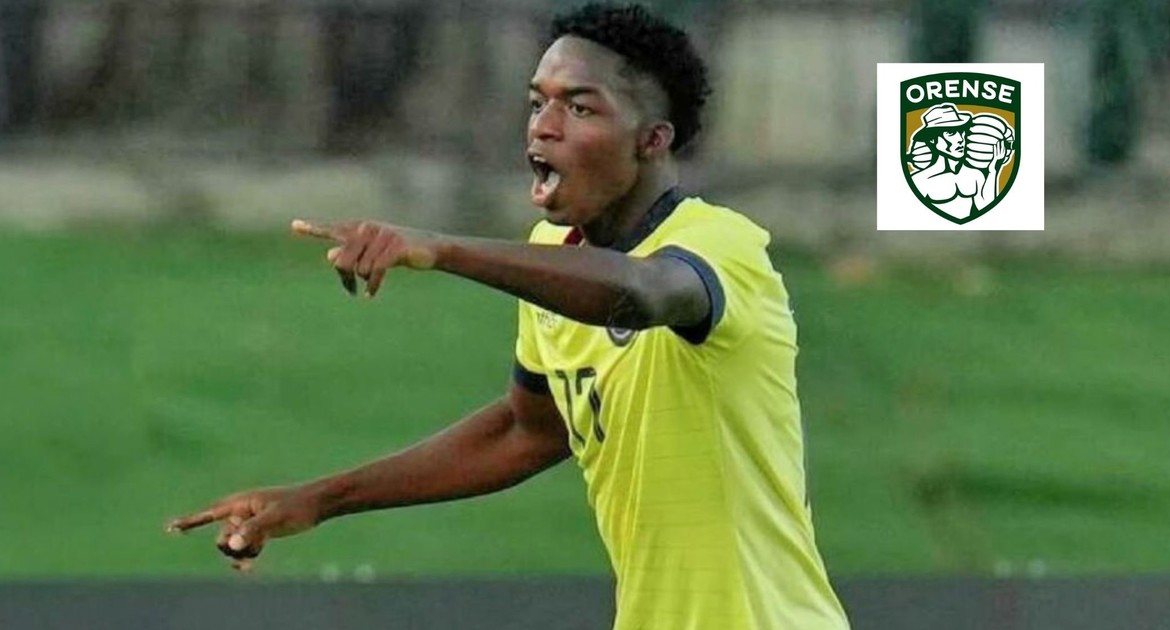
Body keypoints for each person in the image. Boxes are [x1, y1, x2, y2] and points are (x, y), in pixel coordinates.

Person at [167, 4, 849, 629]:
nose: (544, 126)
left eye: (579, 107)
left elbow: (641, 293)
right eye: (537, 102)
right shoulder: (554, 257)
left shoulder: (722, 246)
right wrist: (318, 500)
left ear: (651, 140)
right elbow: (526, 431)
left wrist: (440, 249)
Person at [909, 103, 1007, 220]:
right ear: (932, 139)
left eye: (962, 131)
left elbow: (987, 210)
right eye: (951, 133)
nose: (960, 139)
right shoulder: (919, 181)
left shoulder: (975, 175)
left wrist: (993, 171)